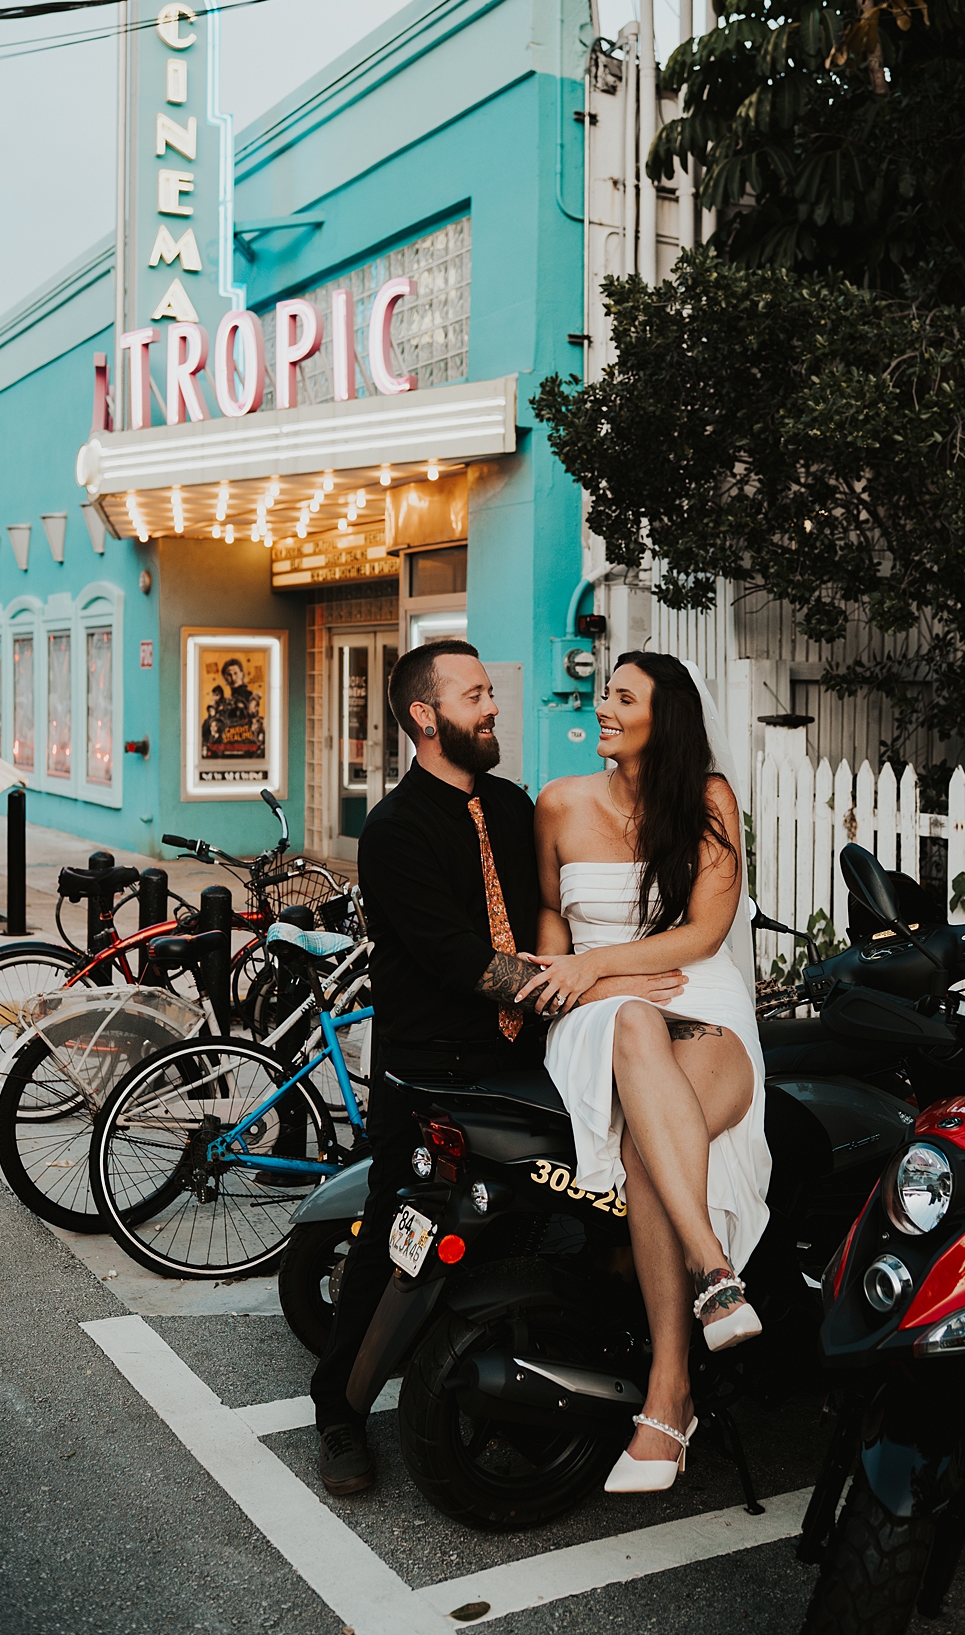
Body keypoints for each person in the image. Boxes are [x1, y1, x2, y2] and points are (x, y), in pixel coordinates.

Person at [310, 639, 688, 1494]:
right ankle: (337, 1411)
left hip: (530, 1055)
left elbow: (562, 910)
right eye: (475, 694)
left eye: (490, 689)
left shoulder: (515, 807)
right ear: (424, 716)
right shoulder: (396, 831)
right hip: (431, 1067)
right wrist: (592, 987)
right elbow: (462, 960)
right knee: (397, 1235)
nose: (492, 707)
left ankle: (525, 1373)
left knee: (553, 1212)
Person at [522, 651, 772, 1495]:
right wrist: (592, 980)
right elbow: (554, 928)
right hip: (598, 1011)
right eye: (605, 692)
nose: (602, 705)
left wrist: (607, 967)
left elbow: (704, 933)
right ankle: (713, 1271)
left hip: (701, 997)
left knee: (648, 1152)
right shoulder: (557, 802)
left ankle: (671, 1395)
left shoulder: (707, 801)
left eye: (622, 696)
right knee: (631, 1024)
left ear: (663, 719)